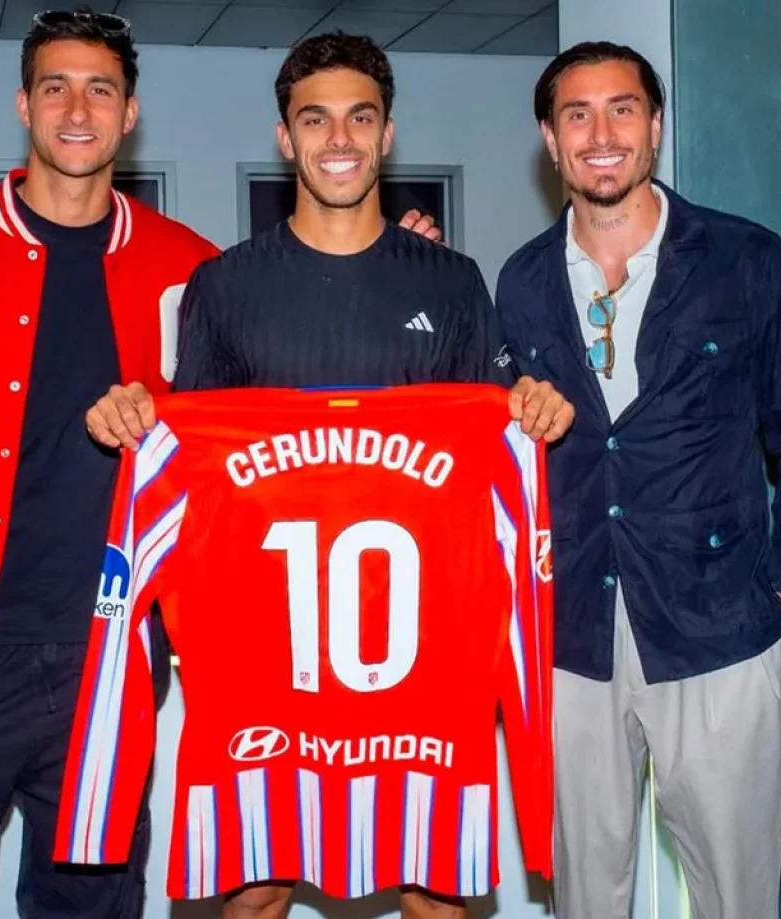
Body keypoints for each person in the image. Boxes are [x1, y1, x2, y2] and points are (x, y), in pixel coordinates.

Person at [86, 30, 574, 919]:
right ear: (286, 138)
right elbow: (197, 468)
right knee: (257, 886)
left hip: (424, 653)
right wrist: (142, 418)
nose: (339, 139)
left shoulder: (455, 281)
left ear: (388, 136)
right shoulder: (223, 287)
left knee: (438, 889)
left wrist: (530, 411)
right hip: (267, 649)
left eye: (360, 117)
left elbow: (494, 447)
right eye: (316, 119)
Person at [0, 9, 222, 918]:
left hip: (112, 652)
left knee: (93, 901)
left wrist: (400, 265)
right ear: (24, 105)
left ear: (130, 113)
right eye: (56, 87)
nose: (78, 109)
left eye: (100, 89)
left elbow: (262, 434)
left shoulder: (193, 271)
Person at [491, 40, 781, 919]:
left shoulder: (748, 261)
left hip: (720, 633)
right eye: (575, 114)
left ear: (655, 127)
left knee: (735, 896)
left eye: (622, 108)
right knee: (585, 895)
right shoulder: (521, 281)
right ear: (550, 141)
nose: (600, 133)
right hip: (573, 637)